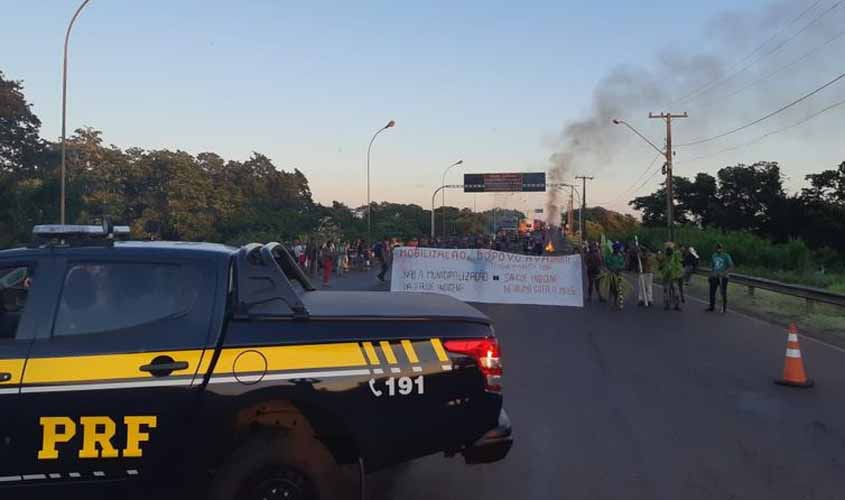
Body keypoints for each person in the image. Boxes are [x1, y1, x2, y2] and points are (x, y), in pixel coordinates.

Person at [707, 243, 734, 313]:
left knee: (723, 292)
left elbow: (731, 266)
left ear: (722, 249)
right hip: (715, 276)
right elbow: (712, 266)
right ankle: (711, 306)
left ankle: (724, 307)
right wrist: (711, 274)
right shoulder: (714, 255)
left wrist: (724, 273)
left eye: (720, 248)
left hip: (723, 277)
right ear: (715, 249)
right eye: (717, 248)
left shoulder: (726, 256)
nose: (719, 249)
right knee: (712, 292)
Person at [658, 242, 683, 311]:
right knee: (668, 291)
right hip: (668, 276)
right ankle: (669, 304)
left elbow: (679, 265)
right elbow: (660, 265)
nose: (669, 249)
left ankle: (675, 304)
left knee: (674, 291)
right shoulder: (664, 256)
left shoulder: (675, 256)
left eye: (670, 248)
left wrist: (679, 274)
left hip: (673, 276)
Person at [605, 242, 626, 309]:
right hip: (611, 274)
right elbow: (607, 263)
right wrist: (611, 268)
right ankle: (611, 301)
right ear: (613, 249)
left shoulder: (620, 257)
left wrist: (619, 268)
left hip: (618, 274)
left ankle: (616, 302)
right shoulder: (610, 256)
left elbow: (623, 265)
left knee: (618, 288)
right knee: (611, 288)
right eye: (615, 248)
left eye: (618, 249)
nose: (617, 250)